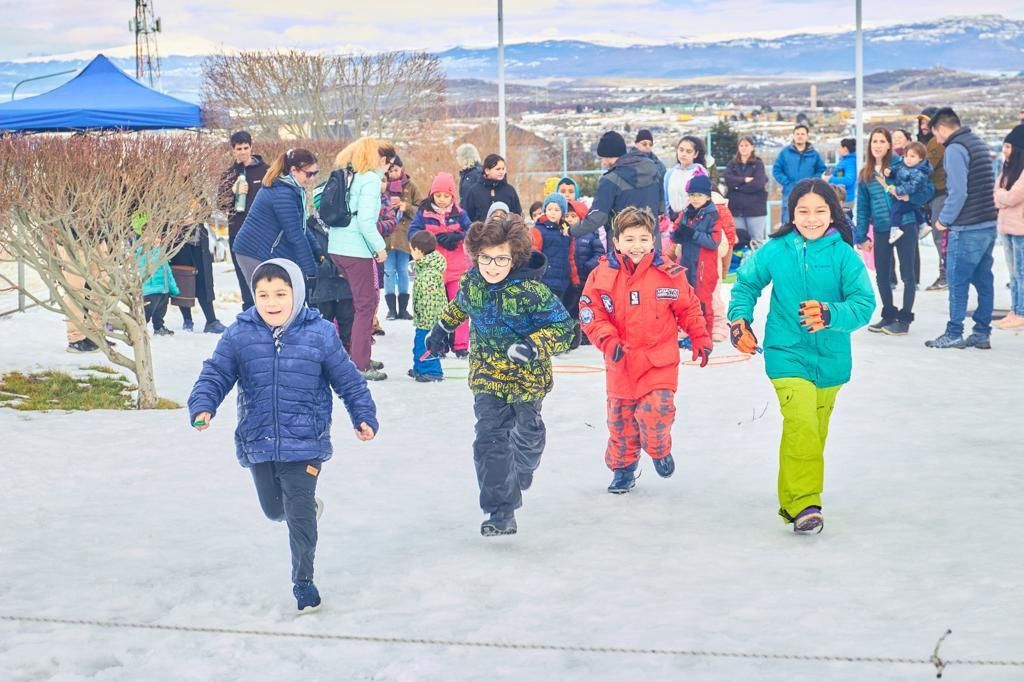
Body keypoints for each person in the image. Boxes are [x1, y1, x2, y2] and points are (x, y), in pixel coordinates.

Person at [188, 259, 378, 614]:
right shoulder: (240, 334)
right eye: (263, 294)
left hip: (305, 442)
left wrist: (363, 415)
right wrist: (203, 405)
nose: (272, 302)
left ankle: (303, 581)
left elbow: (348, 380)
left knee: (299, 512)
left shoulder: (320, 333)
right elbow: (215, 373)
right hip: (259, 440)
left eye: (280, 293)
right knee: (275, 509)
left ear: (297, 293)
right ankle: (300, 511)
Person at [728, 179, 875, 534]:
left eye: (820, 211)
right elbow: (746, 283)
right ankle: (805, 502)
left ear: (832, 213)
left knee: (813, 430)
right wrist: (739, 320)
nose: (811, 219)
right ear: (791, 213)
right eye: (803, 211)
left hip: (831, 360)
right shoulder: (777, 249)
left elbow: (864, 305)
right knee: (802, 422)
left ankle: (795, 495)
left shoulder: (843, 255)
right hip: (786, 353)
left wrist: (830, 314)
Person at [424, 214, 575, 536]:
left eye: (501, 259)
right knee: (489, 440)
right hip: (488, 376)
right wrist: (442, 327)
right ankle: (500, 511)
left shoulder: (533, 293)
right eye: (486, 258)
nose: (492, 267)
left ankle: (522, 467)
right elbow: (460, 306)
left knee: (527, 434)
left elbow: (565, 329)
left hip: (527, 379)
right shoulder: (472, 284)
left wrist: (533, 346)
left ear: (515, 258)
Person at [580, 207, 711, 494]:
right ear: (616, 242)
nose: (636, 246)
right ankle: (623, 470)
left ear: (653, 241)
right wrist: (608, 340)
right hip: (621, 363)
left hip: (658, 362)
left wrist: (699, 336)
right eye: (629, 239)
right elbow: (591, 313)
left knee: (656, 413)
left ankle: (659, 447)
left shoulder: (669, 275)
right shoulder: (601, 276)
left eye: (642, 239)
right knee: (621, 423)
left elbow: (688, 308)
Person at [925, 108, 998, 349]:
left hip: (966, 227)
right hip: (988, 223)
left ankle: (954, 331)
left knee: (957, 281)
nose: (936, 139)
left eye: (935, 133)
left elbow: (958, 191)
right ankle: (981, 332)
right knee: (984, 280)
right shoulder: (976, 142)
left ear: (942, 128)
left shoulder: (955, 148)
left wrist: (943, 220)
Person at [326, 138, 393, 379]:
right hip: (356, 250)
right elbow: (365, 221)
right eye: (389, 164)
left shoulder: (350, 175)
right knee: (366, 305)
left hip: (337, 246)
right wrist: (379, 247)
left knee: (356, 304)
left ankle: (358, 354)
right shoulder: (371, 180)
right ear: (382, 160)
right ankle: (360, 363)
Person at [853, 128, 920, 336]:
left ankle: (904, 318)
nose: (878, 145)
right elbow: (862, 208)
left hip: (904, 225)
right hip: (881, 228)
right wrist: (861, 236)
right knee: (882, 274)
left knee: (907, 273)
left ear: (889, 145)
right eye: (874, 141)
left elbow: (916, 190)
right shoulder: (866, 174)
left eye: (882, 141)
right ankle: (889, 314)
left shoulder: (900, 167)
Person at [232, 148, 321, 290]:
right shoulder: (282, 194)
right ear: (293, 170)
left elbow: (301, 226)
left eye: (315, 173)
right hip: (253, 252)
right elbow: (296, 236)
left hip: (268, 249)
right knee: (269, 301)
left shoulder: (292, 189)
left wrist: (317, 251)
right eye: (309, 174)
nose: (312, 179)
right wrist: (310, 272)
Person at [408, 172, 474, 358]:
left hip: (456, 269)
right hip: (433, 271)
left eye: (446, 196)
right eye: (438, 195)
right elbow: (413, 233)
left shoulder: (460, 214)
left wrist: (458, 235)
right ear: (432, 195)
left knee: (460, 306)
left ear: (452, 196)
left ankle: (461, 345)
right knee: (437, 309)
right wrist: (433, 239)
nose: (443, 200)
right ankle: (439, 343)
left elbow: (471, 231)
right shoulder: (424, 213)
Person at [571, 131, 663, 246]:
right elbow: (661, 208)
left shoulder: (610, 180)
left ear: (607, 156)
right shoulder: (653, 169)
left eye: (602, 158)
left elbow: (598, 217)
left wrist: (571, 230)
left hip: (623, 245)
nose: (603, 162)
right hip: (650, 241)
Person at [219, 131, 269, 311]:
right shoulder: (228, 175)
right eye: (238, 148)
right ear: (233, 150)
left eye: (245, 148)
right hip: (238, 232)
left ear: (251, 147)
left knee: (264, 276)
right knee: (244, 276)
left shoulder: (265, 171)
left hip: (262, 233)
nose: (242, 152)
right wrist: (232, 192)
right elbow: (221, 206)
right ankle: (249, 312)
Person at [671, 175, 721, 339]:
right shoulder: (687, 212)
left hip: (704, 266)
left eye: (699, 195)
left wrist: (693, 234)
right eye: (692, 195)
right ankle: (692, 331)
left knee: (703, 300)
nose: (695, 198)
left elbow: (714, 242)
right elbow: (676, 232)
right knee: (688, 298)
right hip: (687, 262)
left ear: (707, 196)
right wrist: (677, 235)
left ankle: (705, 333)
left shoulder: (712, 215)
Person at [383, 156, 421, 321]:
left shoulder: (411, 186)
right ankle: (391, 309)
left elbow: (421, 209)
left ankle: (404, 308)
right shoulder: (382, 185)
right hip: (387, 238)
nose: (393, 173)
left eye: (396, 170)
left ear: (402, 169)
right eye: (390, 170)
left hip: (405, 237)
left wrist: (407, 207)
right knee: (389, 272)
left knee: (403, 271)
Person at [994, 124, 1024, 330]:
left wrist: (1002, 196)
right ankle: (1014, 310)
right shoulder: (1007, 169)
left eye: (1008, 146)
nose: (1005, 150)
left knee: (1021, 274)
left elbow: (1013, 196)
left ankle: (1021, 312)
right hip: (1006, 228)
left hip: (1021, 230)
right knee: (1012, 274)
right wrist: (1002, 196)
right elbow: (996, 194)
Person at [917, 107, 950, 290]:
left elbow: (926, 167)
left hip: (940, 193)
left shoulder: (936, 143)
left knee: (940, 235)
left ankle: (946, 274)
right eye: (921, 122)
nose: (923, 126)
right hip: (932, 194)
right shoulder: (926, 142)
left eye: (927, 122)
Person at [171, 224, 226, 334]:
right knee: (183, 279)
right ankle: (187, 320)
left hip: (199, 240)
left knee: (204, 281)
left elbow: (208, 211)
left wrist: (197, 216)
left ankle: (211, 320)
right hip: (178, 240)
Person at [409, 231, 447, 381]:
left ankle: (432, 371)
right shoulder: (425, 268)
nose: (411, 253)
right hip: (426, 319)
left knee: (425, 346)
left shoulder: (428, 274)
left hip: (428, 320)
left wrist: (427, 320)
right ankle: (420, 367)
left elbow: (429, 298)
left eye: (411, 250)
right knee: (419, 345)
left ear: (418, 250)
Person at [566, 200, 605, 340]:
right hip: (569, 280)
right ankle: (572, 335)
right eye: (567, 216)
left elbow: (599, 253)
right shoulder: (564, 235)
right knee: (570, 309)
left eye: (573, 216)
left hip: (585, 278)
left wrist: (588, 265)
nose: (569, 219)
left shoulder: (590, 236)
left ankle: (587, 335)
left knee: (585, 308)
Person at [772, 125, 827, 225]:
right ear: (793, 136)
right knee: (788, 221)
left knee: (807, 220)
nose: (800, 136)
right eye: (797, 134)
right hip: (789, 192)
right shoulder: (785, 153)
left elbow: (821, 169)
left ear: (807, 136)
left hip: (809, 192)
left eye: (802, 134)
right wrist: (786, 182)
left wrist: (813, 181)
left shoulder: (814, 154)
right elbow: (776, 170)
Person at [724, 136, 769, 245]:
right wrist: (744, 180)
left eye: (746, 145)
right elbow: (728, 179)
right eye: (741, 145)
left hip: (755, 210)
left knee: (756, 241)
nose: (744, 148)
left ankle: (757, 262)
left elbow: (758, 184)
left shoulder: (758, 164)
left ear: (752, 147)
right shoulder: (732, 164)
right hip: (736, 209)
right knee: (739, 240)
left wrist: (737, 187)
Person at [886, 142, 935, 241]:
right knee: (915, 208)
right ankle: (923, 224)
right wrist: (890, 171)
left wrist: (898, 190)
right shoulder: (904, 165)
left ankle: (895, 228)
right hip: (909, 198)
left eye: (912, 156)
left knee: (895, 210)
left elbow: (913, 186)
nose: (908, 159)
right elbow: (897, 168)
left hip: (910, 197)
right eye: (906, 156)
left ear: (920, 158)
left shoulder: (919, 172)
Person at [531, 192, 574, 300]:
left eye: (557, 210)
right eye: (549, 209)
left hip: (563, 280)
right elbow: (534, 255)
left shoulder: (566, 231)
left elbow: (571, 256)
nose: (552, 213)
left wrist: (574, 278)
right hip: (545, 279)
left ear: (562, 212)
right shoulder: (539, 230)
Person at [462, 154, 523, 222]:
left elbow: (517, 216)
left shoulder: (509, 190)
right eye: (498, 169)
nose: (501, 172)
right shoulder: (474, 191)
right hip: (481, 231)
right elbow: (468, 216)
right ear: (487, 171)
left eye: (503, 169)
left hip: (505, 231)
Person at [664, 135, 710, 223]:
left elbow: (702, 199)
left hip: (693, 220)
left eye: (688, 151)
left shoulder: (699, 172)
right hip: (672, 220)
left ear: (695, 154)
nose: (684, 154)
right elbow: (666, 199)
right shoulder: (670, 173)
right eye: (681, 150)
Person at [138, 244, 179, 336]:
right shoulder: (140, 252)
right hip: (150, 290)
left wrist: (173, 288)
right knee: (147, 312)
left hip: (163, 289)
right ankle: (139, 330)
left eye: (158, 237)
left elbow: (168, 271)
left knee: (161, 311)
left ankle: (159, 327)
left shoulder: (161, 252)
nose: (156, 240)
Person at [826, 138, 857, 219]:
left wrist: (830, 179)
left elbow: (849, 180)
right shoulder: (844, 161)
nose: (838, 149)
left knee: (844, 223)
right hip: (840, 197)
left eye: (840, 147)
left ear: (845, 149)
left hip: (846, 199)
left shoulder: (850, 162)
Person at [456, 143, 483, 209]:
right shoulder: (466, 174)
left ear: (465, 157)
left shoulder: (477, 174)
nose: (457, 158)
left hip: (474, 216)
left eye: (458, 156)